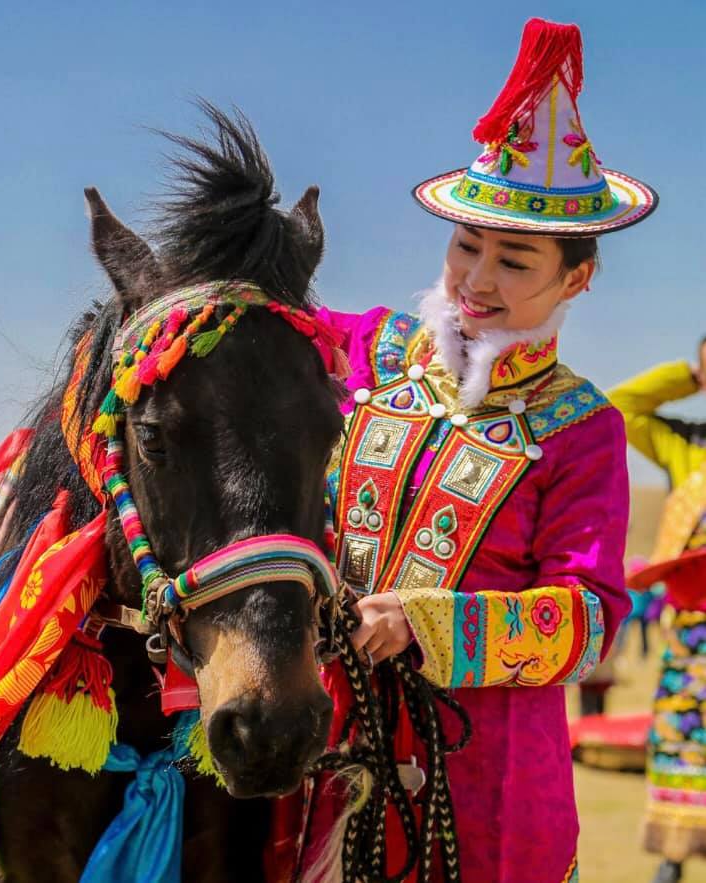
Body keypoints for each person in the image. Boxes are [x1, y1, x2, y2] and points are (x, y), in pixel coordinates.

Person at [276, 17, 659, 883]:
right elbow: (262, 336)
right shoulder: (372, 351)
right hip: (326, 747)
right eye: (466, 246)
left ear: (576, 276)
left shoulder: (581, 429)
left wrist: (426, 622)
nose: (477, 280)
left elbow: (590, 619)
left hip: (485, 782)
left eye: (515, 261)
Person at [608, 339, 706, 883]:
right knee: (683, 737)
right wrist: (691, 374)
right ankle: (674, 853)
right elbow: (622, 405)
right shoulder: (686, 443)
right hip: (692, 632)